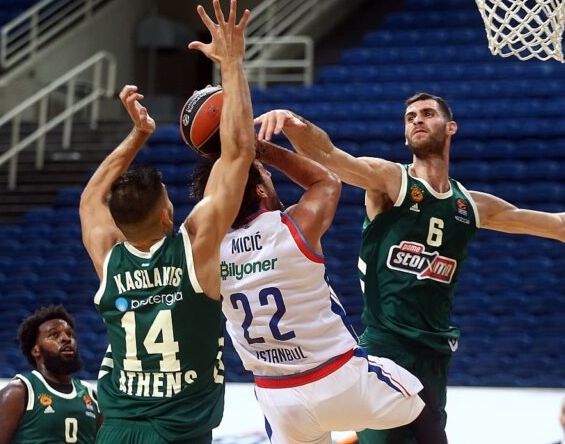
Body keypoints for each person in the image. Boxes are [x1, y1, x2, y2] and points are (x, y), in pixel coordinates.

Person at [253, 94, 565, 443]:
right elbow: (330, 158)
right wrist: (293, 122)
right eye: (410, 117)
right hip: (386, 349)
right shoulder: (390, 181)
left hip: (435, 354)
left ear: (450, 127)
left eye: (427, 114)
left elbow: (564, 226)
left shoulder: (471, 205)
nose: (417, 120)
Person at [78, 0, 255, 444]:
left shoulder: (108, 259)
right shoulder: (194, 247)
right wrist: (231, 64)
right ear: (166, 213)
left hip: (115, 429)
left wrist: (138, 135)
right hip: (178, 431)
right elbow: (239, 153)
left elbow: (90, 199)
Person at [190, 140, 444, 444]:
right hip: (339, 378)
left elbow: (208, 212)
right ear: (260, 191)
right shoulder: (293, 225)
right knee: (423, 400)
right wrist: (261, 149)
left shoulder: (205, 249)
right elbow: (326, 180)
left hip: (278, 399)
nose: (270, 176)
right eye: (265, 174)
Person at [0, 305, 101, 444]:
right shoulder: (19, 392)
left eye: (70, 334)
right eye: (54, 335)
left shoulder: (91, 396)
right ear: (35, 350)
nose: (66, 339)